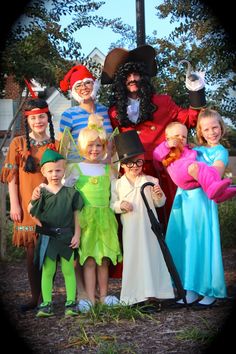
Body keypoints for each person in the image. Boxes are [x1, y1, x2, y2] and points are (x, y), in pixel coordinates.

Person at [101, 45, 206, 224]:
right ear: (121, 80)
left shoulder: (162, 102)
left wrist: (196, 91)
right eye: (127, 75)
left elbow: (189, 120)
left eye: (136, 74)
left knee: (168, 217)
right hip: (131, 173)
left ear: (144, 77)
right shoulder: (113, 112)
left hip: (162, 171)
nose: (133, 79)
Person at [165, 108, 232, 308]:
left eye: (215, 127)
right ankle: (190, 288)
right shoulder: (195, 150)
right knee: (186, 242)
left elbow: (216, 172)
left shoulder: (220, 151)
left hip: (202, 201)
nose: (212, 132)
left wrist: (195, 171)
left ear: (221, 127)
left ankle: (209, 290)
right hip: (185, 199)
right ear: (200, 132)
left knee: (202, 243)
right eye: (207, 129)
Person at [0, 98, 59, 312]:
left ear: (47, 117)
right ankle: (36, 298)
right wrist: (15, 204)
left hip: (52, 205)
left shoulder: (56, 142)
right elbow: (11, 177)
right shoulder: (18, 143)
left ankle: (49, 299)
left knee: (50, 252)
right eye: (33, 118)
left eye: (41, 116)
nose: (38, 121)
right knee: (32, 252)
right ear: (28, 120)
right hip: (27, 204)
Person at [63, 115, 122, 312]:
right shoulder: (76, 168)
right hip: (85, 219)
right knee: (88, 259)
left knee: (103, 259)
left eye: (98, 145)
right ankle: (89, 297)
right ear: (81, 147)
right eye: (90, 146)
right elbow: (66, 191)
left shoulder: (108, 170)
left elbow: (114, 194)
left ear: (104, 147)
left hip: (105, 218)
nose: (94, 150)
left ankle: (104, 296)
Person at [110, 130, 175, 311]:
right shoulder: (117, 184)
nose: (135, 167)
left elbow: (160, 203)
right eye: (130, 164)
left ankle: (154, 294)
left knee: (151, 258)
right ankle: (135, 296)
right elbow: (111, 204)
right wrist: (120, 205)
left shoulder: (150, 180)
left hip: (149, 229)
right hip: (131, 229)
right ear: (123, 166)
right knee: (134, 260)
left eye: (138, 162)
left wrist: (159, 195)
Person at [28, 149, 84, 317]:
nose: (54, 174)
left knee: (68, 271)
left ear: (64, 171)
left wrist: (77, 235)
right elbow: (30, 210)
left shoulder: (71, 192)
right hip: (48, 238)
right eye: (50, 171)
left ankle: (71, 303)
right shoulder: (42, 193)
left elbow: (77, 215)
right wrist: (41, 226)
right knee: (48, 271)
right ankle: (46, 304)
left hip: (67, 237)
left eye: (58, 170)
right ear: (44, 172)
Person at [153, 121, 236, 203]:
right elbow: (156, 156)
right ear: (167, 138)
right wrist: (166, 145)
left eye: (184, 137)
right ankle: (213, 189)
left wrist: (192, 148)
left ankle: (219, 195)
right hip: (181, 174)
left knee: (208, 168)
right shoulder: (165, 147)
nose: (181, 138)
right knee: (197, 166)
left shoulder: (187, 148)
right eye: (177, 136)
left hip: (193, 179)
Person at [59, 64, 113, 142]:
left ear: (94, 84)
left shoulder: (106, 111)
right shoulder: (68, 115)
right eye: (78, 85)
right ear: (74, 91)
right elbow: (62, 146)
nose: (84, 87)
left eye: (87, 82)